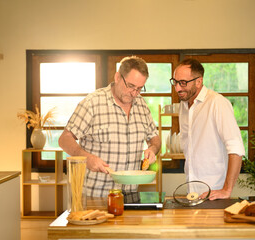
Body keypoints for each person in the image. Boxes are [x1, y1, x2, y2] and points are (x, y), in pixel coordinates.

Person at [59, 56, 161, 197]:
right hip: (95, 196)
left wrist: (152, 149)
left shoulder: (142, 105)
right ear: (118, 77)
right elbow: (64, 139)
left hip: (130, 196)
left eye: (139, 89)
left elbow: (155, 139)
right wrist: (86, 157)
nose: (134, 93)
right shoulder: (92, 103)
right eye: (131, 86)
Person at [171, 58, 245, 200]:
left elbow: (236, 148)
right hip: (192, 193)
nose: (177, 88)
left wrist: (226, 190)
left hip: (215, 195)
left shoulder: (217, 103)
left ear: (199, 81)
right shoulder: (183, 106)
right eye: (175, 82)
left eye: (183, 83)